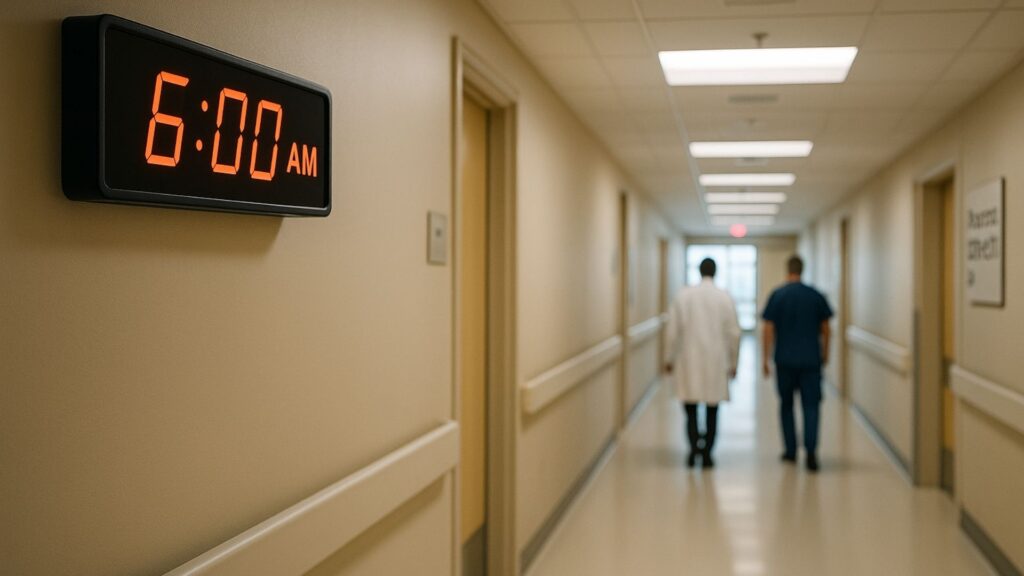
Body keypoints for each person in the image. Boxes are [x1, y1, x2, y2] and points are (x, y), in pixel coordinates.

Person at [664, 258, 741, 469]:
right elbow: (734, 333)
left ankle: (693, 451)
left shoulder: (683, 296)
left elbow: (672, 332)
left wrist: (669, 358)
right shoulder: (724, 298)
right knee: (712, 408)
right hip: (716, 362)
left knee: (690, 408)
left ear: (699, 271)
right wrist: (734, 362)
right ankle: (707, 453)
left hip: (688, 361)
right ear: (715, 272)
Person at [761, 255, 833, 472]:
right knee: (811, 406)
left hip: (784, 360)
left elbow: (768, 329)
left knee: (786, 405)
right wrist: (825, 354)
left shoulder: (778, 295)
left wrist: (765, 358)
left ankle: (790, 451)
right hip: (811, 361)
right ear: (802, 270)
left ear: (787, 270)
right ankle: (811, 453)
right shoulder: (816, 296)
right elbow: (827, 329)